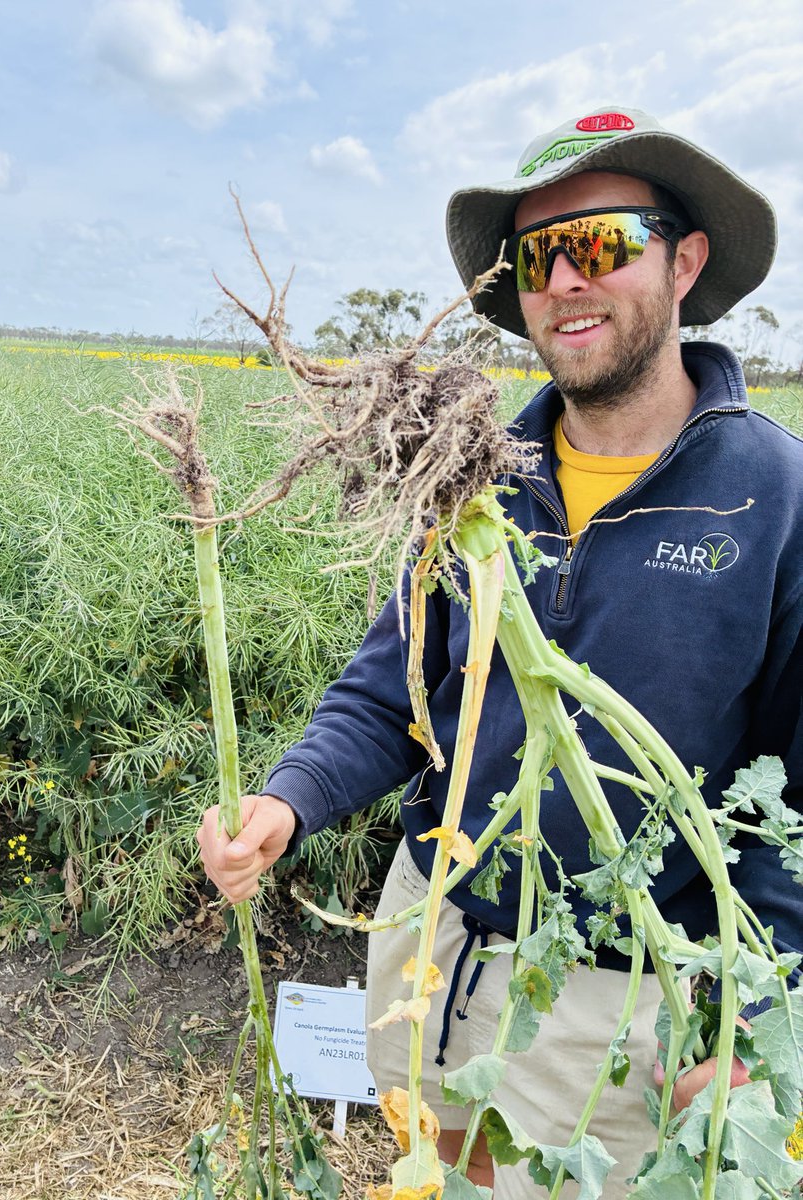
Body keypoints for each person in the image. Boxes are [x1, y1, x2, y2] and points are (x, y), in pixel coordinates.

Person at [198, 106, 802, 1197]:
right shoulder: (475, 472)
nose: (564, 279)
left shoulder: (777, 498)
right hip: (428, 952)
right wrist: (288, 801)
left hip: (611, 1010)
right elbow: (395, 690)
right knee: (434, 1171)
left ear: (686, 259)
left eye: (604, 240)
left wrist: (748, 1009)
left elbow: (795, 797)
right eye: (536, 256)